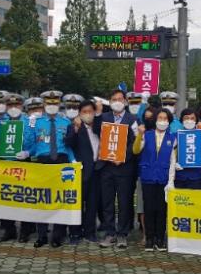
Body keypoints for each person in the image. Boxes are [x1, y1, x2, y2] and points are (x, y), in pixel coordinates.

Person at [94, 89, 138, 249]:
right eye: (114, 99)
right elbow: (95, 131)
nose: (117, 102)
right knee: (107, 201)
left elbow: (136, 143)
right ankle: (110, 232)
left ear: (125, 101)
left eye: (120, 99)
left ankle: (122, 234)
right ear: (110, 102)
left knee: (125, 202)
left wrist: (123, 156)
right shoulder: (104, 117)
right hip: (106, 166)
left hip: (124, 167)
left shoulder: (132, 119)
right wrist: (98, 113)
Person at [0, 93, 36, 243]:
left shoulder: (29, 122)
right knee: (6, 198)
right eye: (10, 105)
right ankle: (8, 228)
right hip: (5, 164)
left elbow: (36, 143)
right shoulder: (0, 122)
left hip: (23, 164)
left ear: (22, 106)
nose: (13, 108)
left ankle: (25, 230)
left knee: (24, 198)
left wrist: (28, 152)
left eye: (16, 105)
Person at [32, 90, 75, 248]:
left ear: (59, 104)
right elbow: (31, 144)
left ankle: (58, 235)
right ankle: (42, 235)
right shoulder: (36, 122)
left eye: (55, 103)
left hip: (61, 161)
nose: (52, 106)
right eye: (49, 103)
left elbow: (68, 145)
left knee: (60, 200)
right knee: (42, 199)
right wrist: (27, 152)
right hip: (42, 161)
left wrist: (73, 160)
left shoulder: (66, 122)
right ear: (43, 104)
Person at [133, 108, 176, 251]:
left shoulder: (172, 138)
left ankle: (160, 239)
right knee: (149, 209)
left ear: (169, 121)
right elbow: (136, 150)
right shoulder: (147, 135)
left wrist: (171, 181)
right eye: (160, 118)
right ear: (155, 120)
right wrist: (139, 135)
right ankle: (149, 239)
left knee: (161, 210)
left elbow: (172, 162)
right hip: (148, 177)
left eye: (165, 119)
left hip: (163, 179)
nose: (162, 121)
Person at [65, 100, 102, 244]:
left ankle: (90, 232)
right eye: (84, 112)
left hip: (97, 170)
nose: (87, 114)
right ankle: (75, 233)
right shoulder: (73, 126)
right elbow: (68, 143)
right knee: (77, 204)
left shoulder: (99, 126)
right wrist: (76, 128)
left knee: (93, 204)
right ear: (79, 113)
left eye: (90, 111)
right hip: (80, 171)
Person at [167, 108, 201, 190]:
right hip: (179, 176)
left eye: (192, 118)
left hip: (195, 176)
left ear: (196, 121)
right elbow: (168, 153)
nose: (189, 121)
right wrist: (174, 163)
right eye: (186, 118)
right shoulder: (175, 135)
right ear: (181, 120)